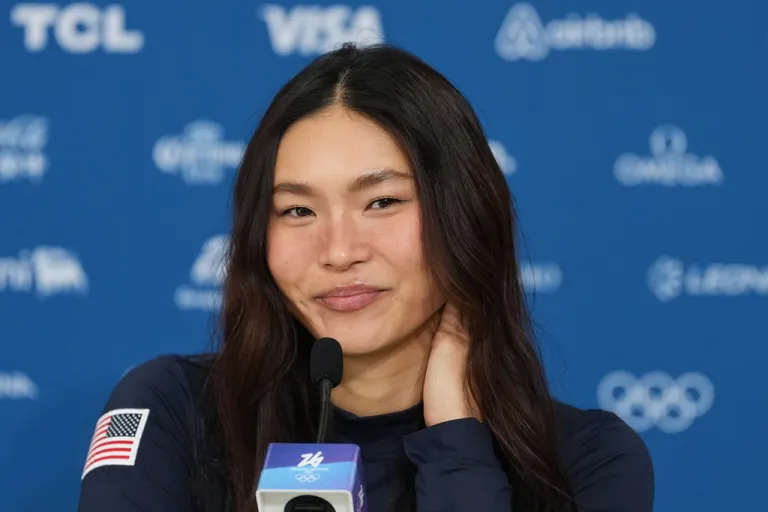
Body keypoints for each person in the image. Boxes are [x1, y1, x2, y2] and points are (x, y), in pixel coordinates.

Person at [77, 44, 654, 512]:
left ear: (465, 212)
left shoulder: (589, 462)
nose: (339, 250)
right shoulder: (175, 413)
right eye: (297, 210)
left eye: (381, 202)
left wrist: (458, 448)